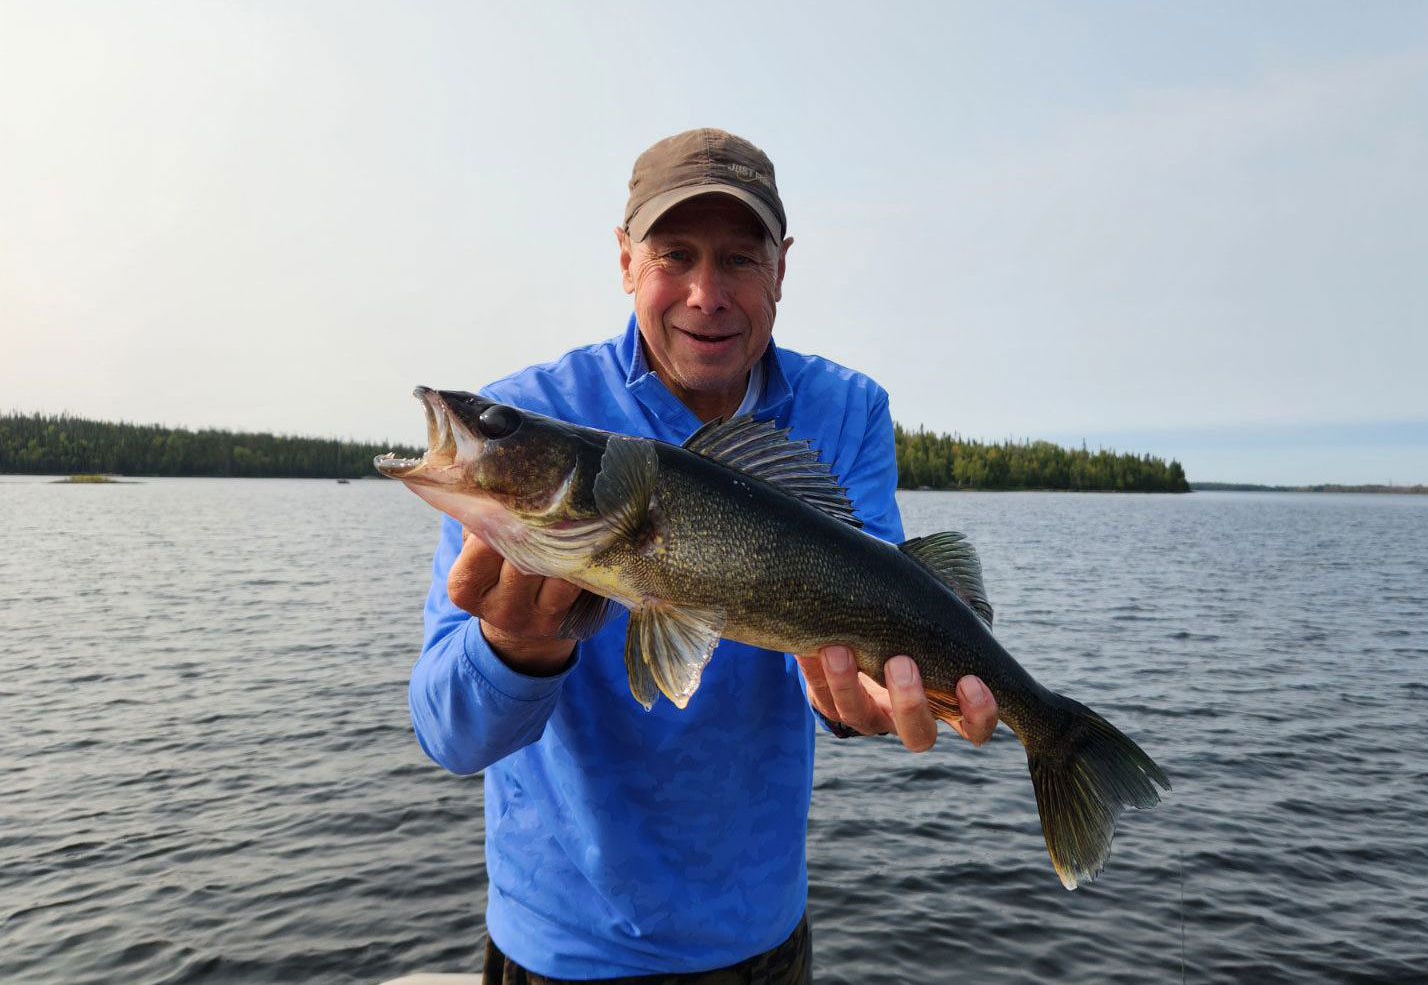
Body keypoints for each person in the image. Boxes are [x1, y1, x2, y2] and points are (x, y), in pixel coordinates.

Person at [408, 129, 999, 984]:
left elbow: (879, 605)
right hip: (563, 945)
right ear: (625, 261)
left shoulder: (847, 410)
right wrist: (513, 648)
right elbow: (449, 737)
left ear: (782, 269)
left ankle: (1057, 736)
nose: (706, 294)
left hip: (760, 934)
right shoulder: (528, 416)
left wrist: (852, 701)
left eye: (740, 259)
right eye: (674, 255)